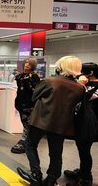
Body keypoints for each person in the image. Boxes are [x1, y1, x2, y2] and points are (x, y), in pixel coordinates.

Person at [17, 56, 85, 186]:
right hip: (62, 124)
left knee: (30, 145)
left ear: (60, 67)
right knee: (56, 152)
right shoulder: (80, 88)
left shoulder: (49, 81)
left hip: (41, 120)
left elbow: (34, 96)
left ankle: (35, 174)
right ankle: (51, 179)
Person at [64, 62, 98, 186]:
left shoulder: (94, 85)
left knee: (85, 150)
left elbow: (85, 97)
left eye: (82, 71)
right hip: (81, 121)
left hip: (91, 124)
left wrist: (81, 85)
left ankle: (86, 178)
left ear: (91, 73)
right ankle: (83, 171)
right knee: (82, 149)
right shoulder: (86, 84)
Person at [11, 57, 40, 154]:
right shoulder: (20, 76)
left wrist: (28, 82)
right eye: (26, 63)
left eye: (29, 64)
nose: (27, 65)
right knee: (25, 124)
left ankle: (25, 141)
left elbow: (35, 91)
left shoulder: (34, 77)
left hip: (29, 106)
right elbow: (19, 90)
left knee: (28, 125)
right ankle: (26, 141)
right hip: (20, 104)